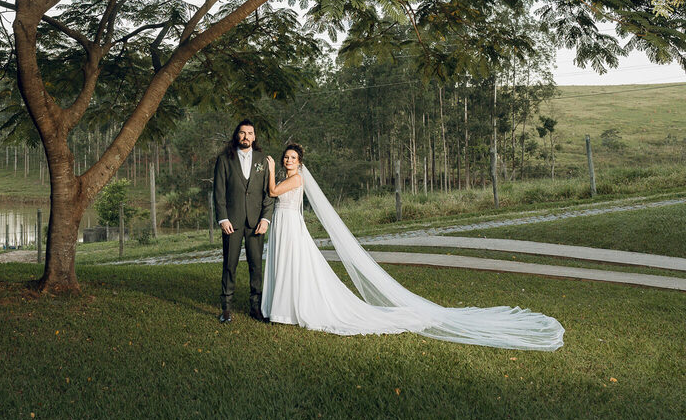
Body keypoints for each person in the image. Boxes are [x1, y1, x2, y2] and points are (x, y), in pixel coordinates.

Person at [261, 144, 565, 350]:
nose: (288, 160)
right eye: (285, 157)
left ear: (299, 162)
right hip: (284, 226)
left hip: (291, 227)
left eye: (291, 157)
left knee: (294, 266)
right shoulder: (296, 176)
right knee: (288, 266)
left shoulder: (296, 179)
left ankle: (290, 311)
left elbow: (274, 191)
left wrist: (271, 167)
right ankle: (283, 309)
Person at [213, 120, 275, 323]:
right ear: (236, 135)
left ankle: (255, 308)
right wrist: (223, 218)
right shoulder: (224, 160)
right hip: (232, 221)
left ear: (254, 137)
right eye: (242, 133)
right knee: (230, 265)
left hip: (256, 222)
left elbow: (268, 193)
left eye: (250, 133)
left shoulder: (263, 160)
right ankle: (226, 309)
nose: (246, 136)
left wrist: (266, 218)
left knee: (256, 265)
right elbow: (219, 193)